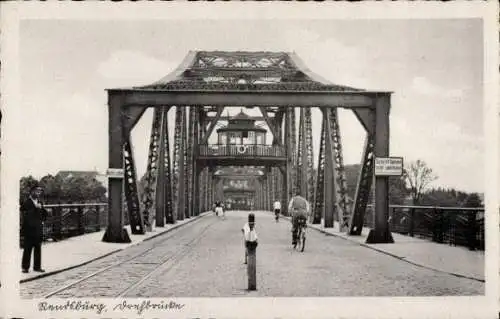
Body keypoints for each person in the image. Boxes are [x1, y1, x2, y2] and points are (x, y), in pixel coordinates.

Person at [21, 184, 47, 273]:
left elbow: (44, 214)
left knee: (38, 248)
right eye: (37, 191)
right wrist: (36, 208)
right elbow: (26, 215)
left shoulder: (39, 202)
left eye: (40, 192)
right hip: (29, 229)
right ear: (32, 192)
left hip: (38, 229)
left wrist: (43, 221)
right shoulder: (27, 202)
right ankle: (25, 267)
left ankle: (37, 267)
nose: (38, 193)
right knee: (27, 248)